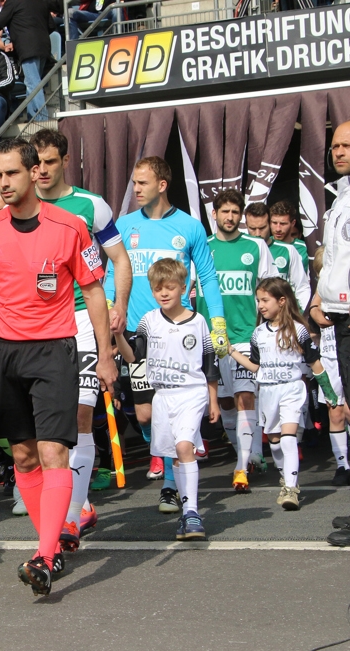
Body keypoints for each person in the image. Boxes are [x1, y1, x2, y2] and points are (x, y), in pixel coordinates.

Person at [0, 138, 116, 596]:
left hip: (54, 351)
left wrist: (105, 354)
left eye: (12, 173)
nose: (4, 183)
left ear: (32, 174)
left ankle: (47, 555)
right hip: (4, 351)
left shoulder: (70, 227)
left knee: (52, 454)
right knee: (22, 456)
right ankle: (47, 546)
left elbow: (94, 293)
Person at [103, 157, 226, 512]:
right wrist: (113, 310)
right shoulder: (124, 226)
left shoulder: (189, 227)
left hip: (177, 334)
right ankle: (160, 446)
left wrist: (216, 322)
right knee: (144, 414)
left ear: (162, 184)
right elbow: (113, 274)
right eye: (134, 182)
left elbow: (209, 276)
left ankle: (171, 483)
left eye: (142, 183)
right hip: (137, 331)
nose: (135, 189)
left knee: (172, 412)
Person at [29, 128, 131, 550]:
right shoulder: (22, 204)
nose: (42, 171)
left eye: (50, 162)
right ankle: (81, 503)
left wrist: (118, 304)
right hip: (39, 324)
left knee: (80, 417)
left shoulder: (91, 206)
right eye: (36, 164)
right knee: (48, 430)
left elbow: (120, 260)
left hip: (84, 318)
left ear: (65, 160)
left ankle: (71, 519)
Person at [115, 258, 220, 539]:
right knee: (175, 455)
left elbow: (210, 365)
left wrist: (214, 400)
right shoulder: (148, 321)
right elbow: (134, 357)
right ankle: (185, 515)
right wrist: (118, 335)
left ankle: (192, 513)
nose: (164, 293)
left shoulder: (198, 322)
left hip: (192, 393)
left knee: (185, 446)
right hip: (163, 396)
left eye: (170, 288)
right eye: (158, 288)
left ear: (183, 288)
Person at [229, 278, 339, 511]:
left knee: (289, 437)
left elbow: (315, 363)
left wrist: (328, 392)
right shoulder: (258, 334)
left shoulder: (298, 330)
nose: (260, 305)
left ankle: (291, 488)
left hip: (291, 389)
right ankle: (285, 475)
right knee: (275, 443)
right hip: (268, 392)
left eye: (265, 300)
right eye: (258, 300)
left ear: (282, 301)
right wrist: (231, 351)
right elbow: (256, 367)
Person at [195, 189, 278, 493]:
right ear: (214, 214)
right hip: (211, 340)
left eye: (235, 212)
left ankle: (241, 466)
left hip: (244, 337)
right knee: (227, 402)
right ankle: (248, 452)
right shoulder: (201, 246)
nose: (230, 217)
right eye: (225, 211)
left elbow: (270, 286)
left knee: (245, 397)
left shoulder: (255, 247)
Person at [309, 248, 350, 486]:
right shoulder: (324, 288)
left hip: (346, 352)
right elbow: (314, 307)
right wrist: (315, 312)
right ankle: (342, 465)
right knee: (335, 411)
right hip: (330, 356)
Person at [0, 0, 59, 121]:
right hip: (43, 46)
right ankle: (32, 117)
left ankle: (42, 119)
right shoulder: (39, 2)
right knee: (33, 82)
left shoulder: (13, 2)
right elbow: (51, 25)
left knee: (32, 83)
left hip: (27, 48)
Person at [244, 202, 310, 309]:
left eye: (262, 228)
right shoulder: (242, 249)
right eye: (252, 228)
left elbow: (302, 287)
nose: (257, 234)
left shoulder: (289, 250)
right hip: (250, 317)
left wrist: (302, 315)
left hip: (283, 316)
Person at [269, 200, 309, 275]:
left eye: (283, 224)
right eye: (274, 223)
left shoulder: (304, 247)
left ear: (293, 223)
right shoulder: (264, 245)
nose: (278, 229)